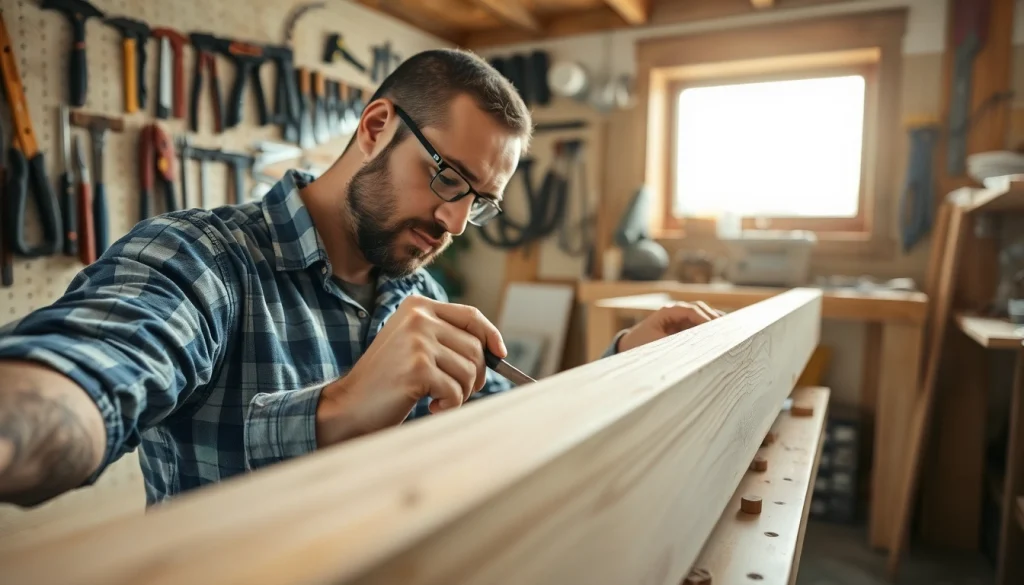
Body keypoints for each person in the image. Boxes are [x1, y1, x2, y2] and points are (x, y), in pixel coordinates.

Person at [0, 49, 720, 508]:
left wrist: (624, 359)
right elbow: (85, 372)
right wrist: (338, 407)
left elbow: (513, 416)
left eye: (481, 200)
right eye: (446, 176)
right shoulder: (201, 260)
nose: (455, 220)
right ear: (375, 127)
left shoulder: (420, 296)